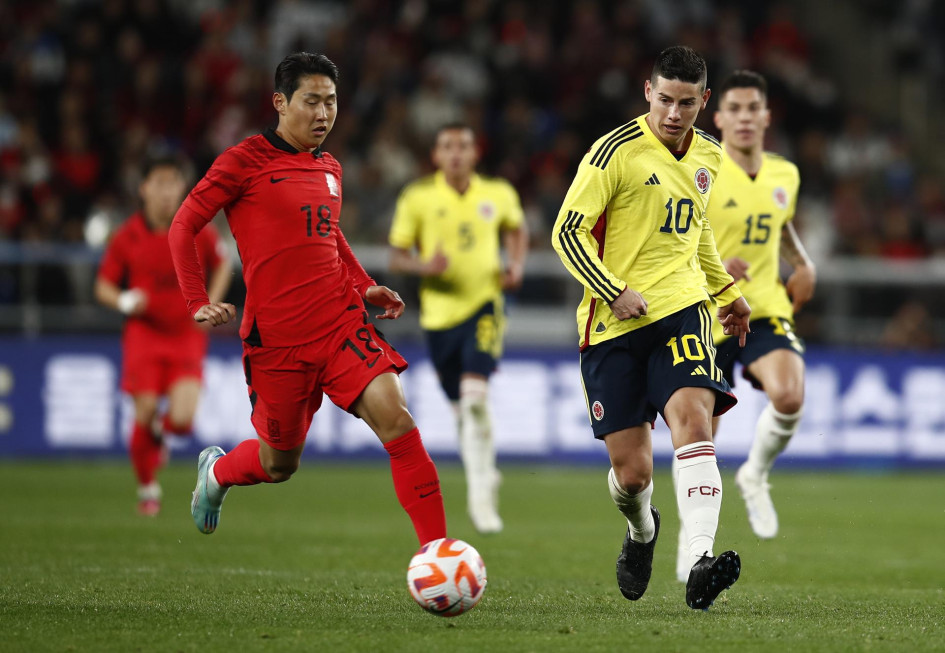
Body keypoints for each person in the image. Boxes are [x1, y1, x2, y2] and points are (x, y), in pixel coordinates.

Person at [168, 52, 447, 548]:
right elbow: (184, 225)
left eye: (332, 102)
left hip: (340, 325)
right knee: (280, 463)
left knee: (397, 420)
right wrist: (195, 300)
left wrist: (364, 286)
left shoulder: (330, 167)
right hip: (277, 339)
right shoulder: (242, 161)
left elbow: (329, 236)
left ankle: (438, 554)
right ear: (280, 102)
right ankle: (218, 474)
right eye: (312, 101)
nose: (324, 114)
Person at [551, 46, 751, 610]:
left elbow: (698, 238)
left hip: (682, 311)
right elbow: (567, 233)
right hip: (612, 325)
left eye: (687, 103)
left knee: (694, 420)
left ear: (703, 102)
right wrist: (613, 291)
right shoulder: (613, 152)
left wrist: (728, 294)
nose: (673, 112)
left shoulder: (710, 157)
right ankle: (643, 531)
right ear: (647, 92)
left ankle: (698, 563)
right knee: (633, 473)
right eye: (664, 99)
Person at [672, 70, 815, 576]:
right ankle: (692, 547)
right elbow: (675, 236)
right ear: (720, 116)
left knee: (790, 395)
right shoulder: (701, 169)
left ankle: (755, 474)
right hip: (708, 311)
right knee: (698, 441)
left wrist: (803, 261)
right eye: (735, 109)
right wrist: (716, 264)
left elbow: (782, 226)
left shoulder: (785, 174)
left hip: (766, 306)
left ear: (767, 116)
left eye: (754, 108)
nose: (746, 117)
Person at [388, 123, 528, 534]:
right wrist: (423, 266)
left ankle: (481, 498)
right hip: (438, 317)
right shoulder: (418, 197)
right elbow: (397, 255)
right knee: (461, 412)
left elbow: (517, 230)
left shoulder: (498, 193)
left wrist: (516, 264)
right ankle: (485, 471)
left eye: (463, 146)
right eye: (447, 146)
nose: (455, 154)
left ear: (474, 153)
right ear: (435, 155)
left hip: (485, 306)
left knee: (474, 400)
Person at [95, 154, 231, 516]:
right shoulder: (127, 236)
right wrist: (124, 299)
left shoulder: (197, 229)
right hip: (144, 334)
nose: (167, 191)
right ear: (144, 188)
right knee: (145, 410)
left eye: (173, 183)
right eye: (160, 183)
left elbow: (224, 264)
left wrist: (209, 304)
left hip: (186, 333)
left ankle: (159, 432)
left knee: (183, 420)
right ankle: (147, 489)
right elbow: (103, 286)